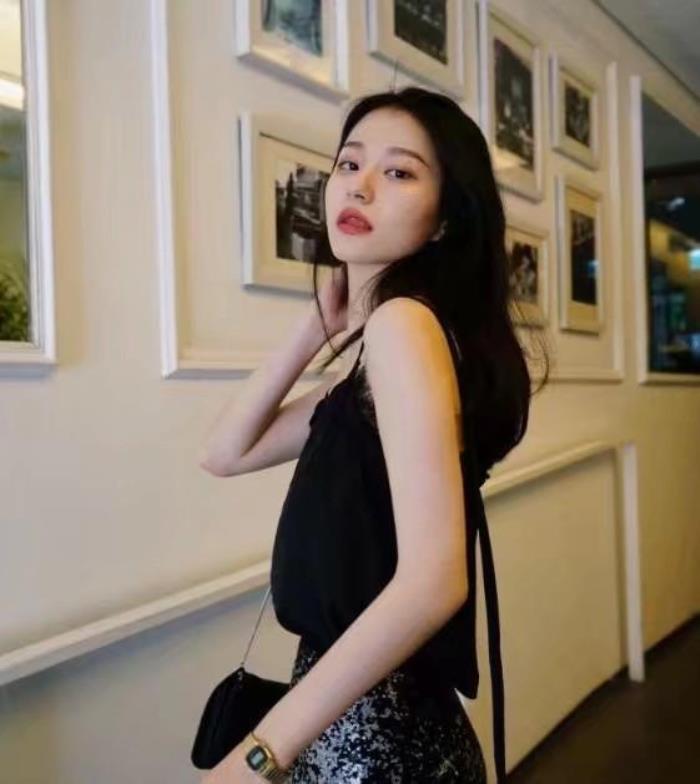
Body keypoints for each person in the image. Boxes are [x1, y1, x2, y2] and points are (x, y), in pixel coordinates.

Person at [199, 86, 550, 783]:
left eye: (398, 171)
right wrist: (318, 325)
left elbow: (434, 583)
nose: (360, 186)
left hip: (376, 748)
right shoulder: (383, 346)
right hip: (366, 732)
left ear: (445, 219)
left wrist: (259, 756)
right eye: (349, 163)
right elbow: (225, 452)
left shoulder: (403, 327)